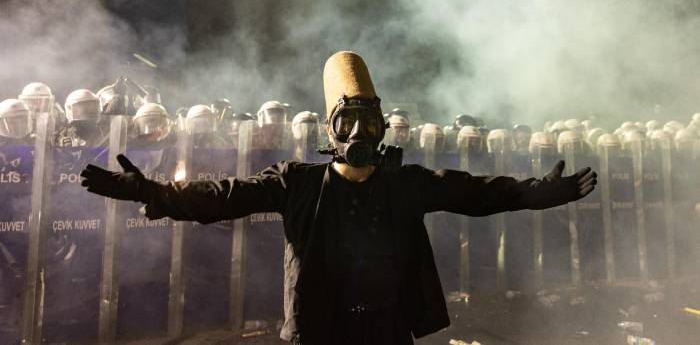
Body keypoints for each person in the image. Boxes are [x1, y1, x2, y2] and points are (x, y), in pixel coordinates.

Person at [80, 51, 597, 345]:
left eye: (368, 120)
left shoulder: (405, 184)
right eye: (347, 120)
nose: (359, 132)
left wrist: (540, 193)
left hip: (389, 329)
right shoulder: (297, 182)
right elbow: (222, 197)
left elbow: (478, 193)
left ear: (382, 127)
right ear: (330, 130)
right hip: (322, 331)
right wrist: (149, 192)